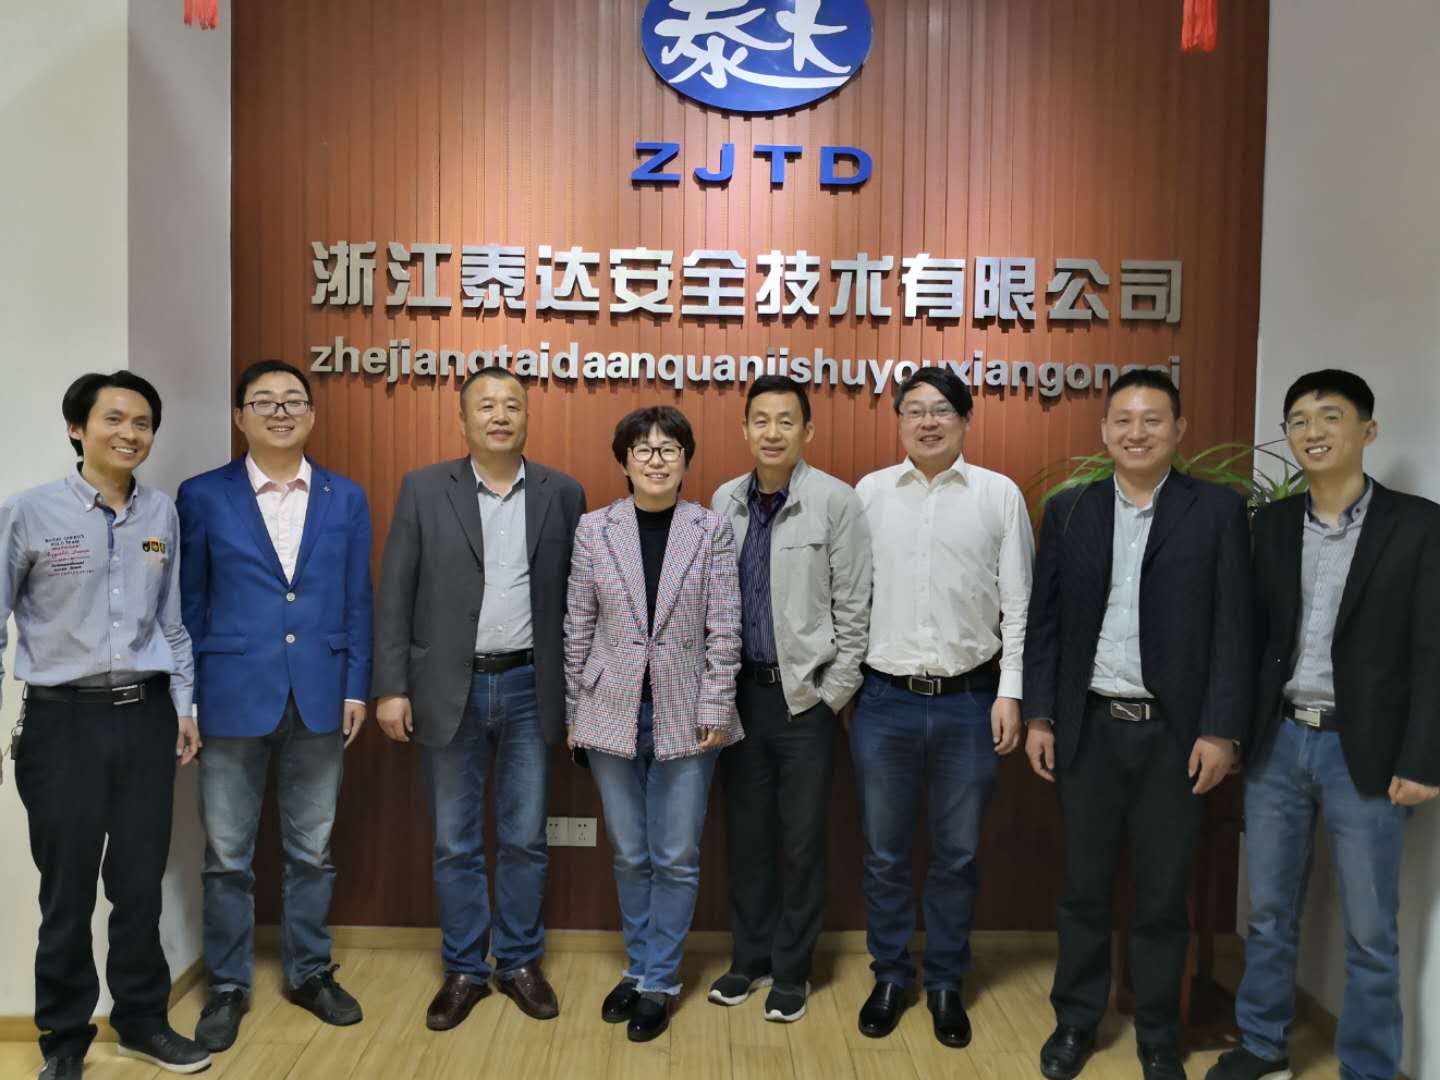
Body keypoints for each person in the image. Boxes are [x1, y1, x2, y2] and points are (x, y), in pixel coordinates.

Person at [1023, 368, 1255, 1080]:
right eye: (1122, 419)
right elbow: (1045, 625)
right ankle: (1075, 1021)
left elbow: (1235, 629)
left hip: (1175, 737)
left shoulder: (1217, 511)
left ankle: (1158, 1032)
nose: (1136, 432)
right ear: (1103, 431)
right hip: (1088, 729)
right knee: (1083, 889)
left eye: (1152, 419)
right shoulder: (1070, 511)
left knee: (1161, 894)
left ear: (1179, 430)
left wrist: (1220, 730)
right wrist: (1040, 715)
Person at [1208, 370, 1439, 1080]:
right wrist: (1235, 732)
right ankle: (1262, 1043)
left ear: (1367, 430)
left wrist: (1424, 758)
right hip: (1279, 741)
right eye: (1299, 420)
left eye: (1330, 417)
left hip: (1362, 749)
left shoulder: (1418, 525)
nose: (1312, 432)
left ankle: (1368, 1067)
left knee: (1370, 929)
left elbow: (1433, 649)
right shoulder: (1273, 525)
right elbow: (1249, 637)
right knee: (1269, 911)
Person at [0, 372, 210, 1078]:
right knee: (66, 892)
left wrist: (184, 707)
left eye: (143, 422)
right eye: (114, 419)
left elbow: (171, 622)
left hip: (146, 717)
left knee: (139, 884)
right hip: (62, 725)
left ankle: (143, 1021)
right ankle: (63, 1041)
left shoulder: (161, 513)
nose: (130, 433)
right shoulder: (28, 513)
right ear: (77, 428)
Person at [372, 366, 585, 1030]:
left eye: (512, 405)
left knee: (525, 838)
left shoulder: (562, 492)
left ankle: (518, 962)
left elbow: (579, 600)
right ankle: (464, 967)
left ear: (527, 418)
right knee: (455, 841)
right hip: (447, 688)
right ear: (461, 419)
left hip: (529, 686)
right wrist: (391, 687)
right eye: (486, 405)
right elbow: (395, 591)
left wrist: (579, 695)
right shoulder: (423, 488)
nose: (500, 415)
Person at [176, 360, 373, 1051]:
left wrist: (356, 686)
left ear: (312, 415)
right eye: (264, 401)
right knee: (227, 856)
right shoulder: (203, 495)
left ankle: (310, 972)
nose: (280, 411)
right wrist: (185, 698)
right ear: (240, 417)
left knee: (312, 851)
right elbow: (188, 605)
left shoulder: (346, 497)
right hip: (229, 697)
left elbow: (357, 598)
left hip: (320, 694)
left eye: (293, 401)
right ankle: (228, 985)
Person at [850, 367, 1033, 1049]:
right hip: (883, 701)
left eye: (942, 410)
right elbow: (849, 597)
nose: (928, 421)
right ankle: (891, 975)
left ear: (964, 419)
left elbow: (1019, 604)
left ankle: (947, 981)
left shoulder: (997, 494)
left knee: (957, 855)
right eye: (915, 410)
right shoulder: (870, 494)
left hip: (970, 702)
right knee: (884, 854)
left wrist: (1011, 691)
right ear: (899, 420)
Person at [564, 405, 742, 1043]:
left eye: (669, 448)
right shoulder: (594, 529)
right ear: (624, 460)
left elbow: (726, 627)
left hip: (689, 715)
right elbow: (578, 624)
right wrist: (574, 712)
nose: (656, 459)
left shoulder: (711, 529)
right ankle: (638, 968)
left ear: (686, 459)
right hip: (609, 708)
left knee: (675, 855)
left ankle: (660, 980)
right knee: (631, 852)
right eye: (643, 448)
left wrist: (716, 705)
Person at [708, 375, 872, 1023]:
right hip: (740, 697)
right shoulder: (724, 501)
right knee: (746, 837)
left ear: (808, 430)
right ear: (744, 429)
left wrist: (832, 695)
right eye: (761, 420)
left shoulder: (835, 501)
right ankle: (749, 959)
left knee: (802, 841)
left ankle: (793, 968)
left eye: (786, 421)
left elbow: (854, 608)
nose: (772, 432)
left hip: (804, 701)